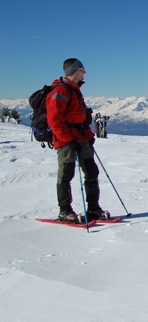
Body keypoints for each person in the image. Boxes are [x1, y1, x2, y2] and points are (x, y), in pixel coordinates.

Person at [46, 58, 109, 222]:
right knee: (66, 174)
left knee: (91, 171)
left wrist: (89, 137)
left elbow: (81, 118)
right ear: (74, 70)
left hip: (81, 138)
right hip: (66, 140)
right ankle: (65, 211)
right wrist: (67, 139)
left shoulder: (74, 90)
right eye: (82, 69)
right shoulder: (60, 91)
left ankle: (94, 209)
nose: (85, 72)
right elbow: (54, 120)